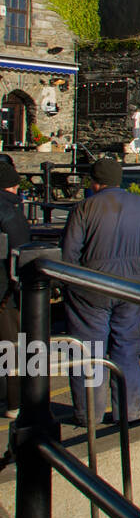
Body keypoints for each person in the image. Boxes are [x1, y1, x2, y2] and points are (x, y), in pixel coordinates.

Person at [61, 158, 140, 427]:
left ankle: (89, 414)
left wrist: (72, 285)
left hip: (91, 288)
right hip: (131, 287)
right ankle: (129, 410)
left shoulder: (84, 208)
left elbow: (69, 254)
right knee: (127, 349)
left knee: (89, 351)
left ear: (95, 183)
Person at [0, 162, 31, 418]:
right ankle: (13, 402)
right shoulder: (10, 211)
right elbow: (21, 252)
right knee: (10, 347)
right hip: (5, 294)